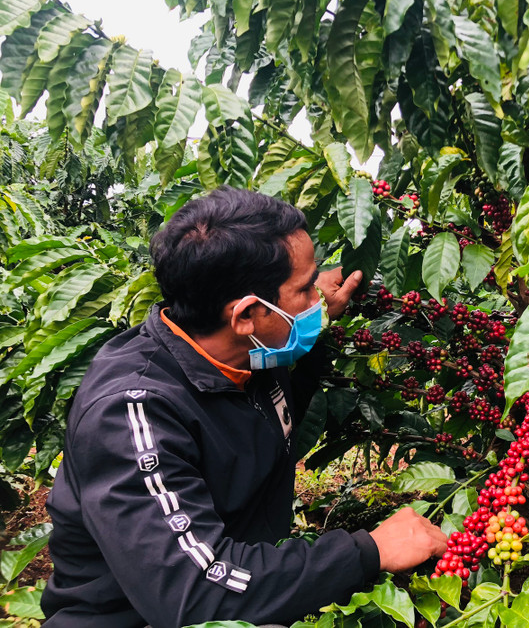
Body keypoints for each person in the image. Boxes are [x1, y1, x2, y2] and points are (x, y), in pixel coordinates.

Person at [41, 187, 447, 628]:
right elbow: (196, 592)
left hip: (244, 589)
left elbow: (270, 416)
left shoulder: (249, 354)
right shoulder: (131, 413)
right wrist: (369, 551)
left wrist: (313, 316)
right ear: (246, 316)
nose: (317, 298)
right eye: (305, 289)